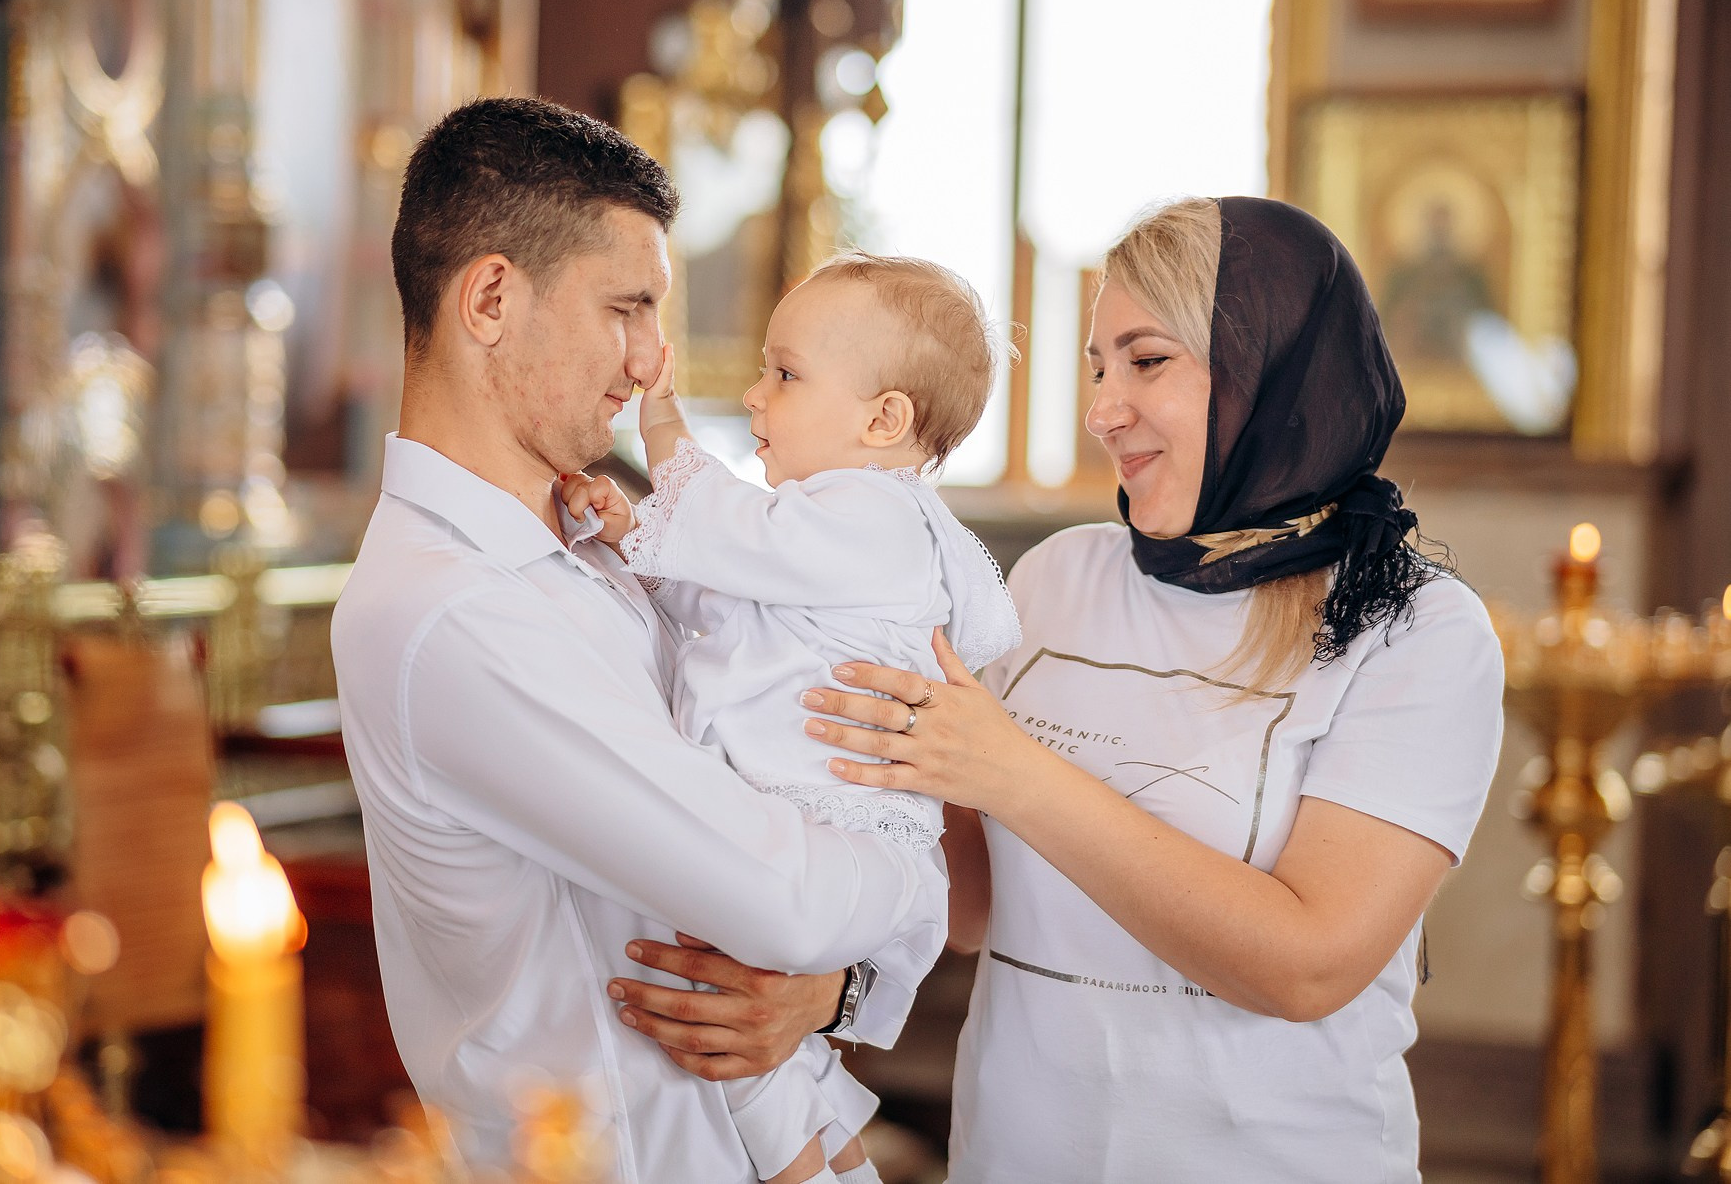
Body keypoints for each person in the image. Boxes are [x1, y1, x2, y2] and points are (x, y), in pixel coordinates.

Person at [640, 196, 1504, 1180]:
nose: (1102, 410)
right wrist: (829, 986)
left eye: (1147, 361)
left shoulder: (1416, 630)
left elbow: (1308, 966)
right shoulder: (1060, 578)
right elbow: (969, 902)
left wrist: (1013, 774)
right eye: (1097, 368)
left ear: (1270, 372)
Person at [331, 97, 944, 1182]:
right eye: (627, 308)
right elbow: (784, 896)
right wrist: (915, 875)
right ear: (489, 299)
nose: (653, 359)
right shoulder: (446, 611)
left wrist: (834, 987)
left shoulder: (592, 540)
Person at [564, 252, 1019, 1184]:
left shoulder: (873, 517)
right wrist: (634, 534)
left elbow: (727, 534)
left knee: (716, 1018)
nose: (756, 394)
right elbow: (723, 605)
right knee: (760, 1035)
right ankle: (838, 1162)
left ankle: (804, 1170)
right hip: (824, 842)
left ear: (883, 420)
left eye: (785, 374)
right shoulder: (826, 537)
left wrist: (663, 422)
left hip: (833, 836)